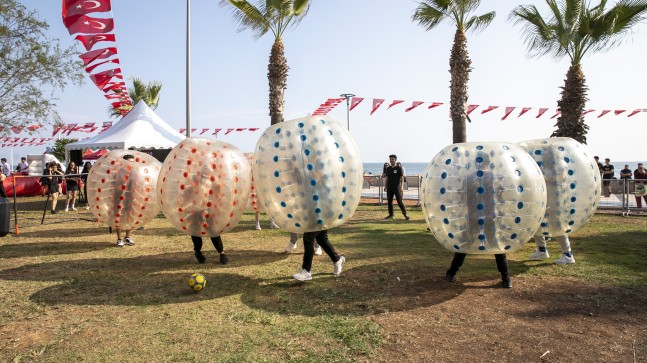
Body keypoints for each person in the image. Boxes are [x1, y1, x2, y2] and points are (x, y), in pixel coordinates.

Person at [446, 252, 512, 288]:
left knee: (462, 248)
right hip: (488, 229)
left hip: (474, 228)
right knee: (498, 250)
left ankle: (451, 273)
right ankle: (505, 278)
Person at [116, 155, 135, 247]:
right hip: (119, 196)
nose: (132, 163)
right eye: (130, 161)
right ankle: (119, 239)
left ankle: (127, 237)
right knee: (118, 218)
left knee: (129, 217)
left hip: (130, 196)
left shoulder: (134, 172)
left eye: (133, 161)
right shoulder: (119, 172)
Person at [382, 154, 409, 220]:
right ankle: (391, 215)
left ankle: (405, 214)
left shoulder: (398, 168)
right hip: (389, 187)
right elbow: (387, 178)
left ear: (395, 160)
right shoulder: (388, 168)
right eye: (390, 159)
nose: (391, 160)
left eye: (392, 159)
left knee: (399, 201)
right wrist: (385, 187)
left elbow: (402, 178)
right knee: (389, 202)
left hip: (397, 187)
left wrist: (402, 187)